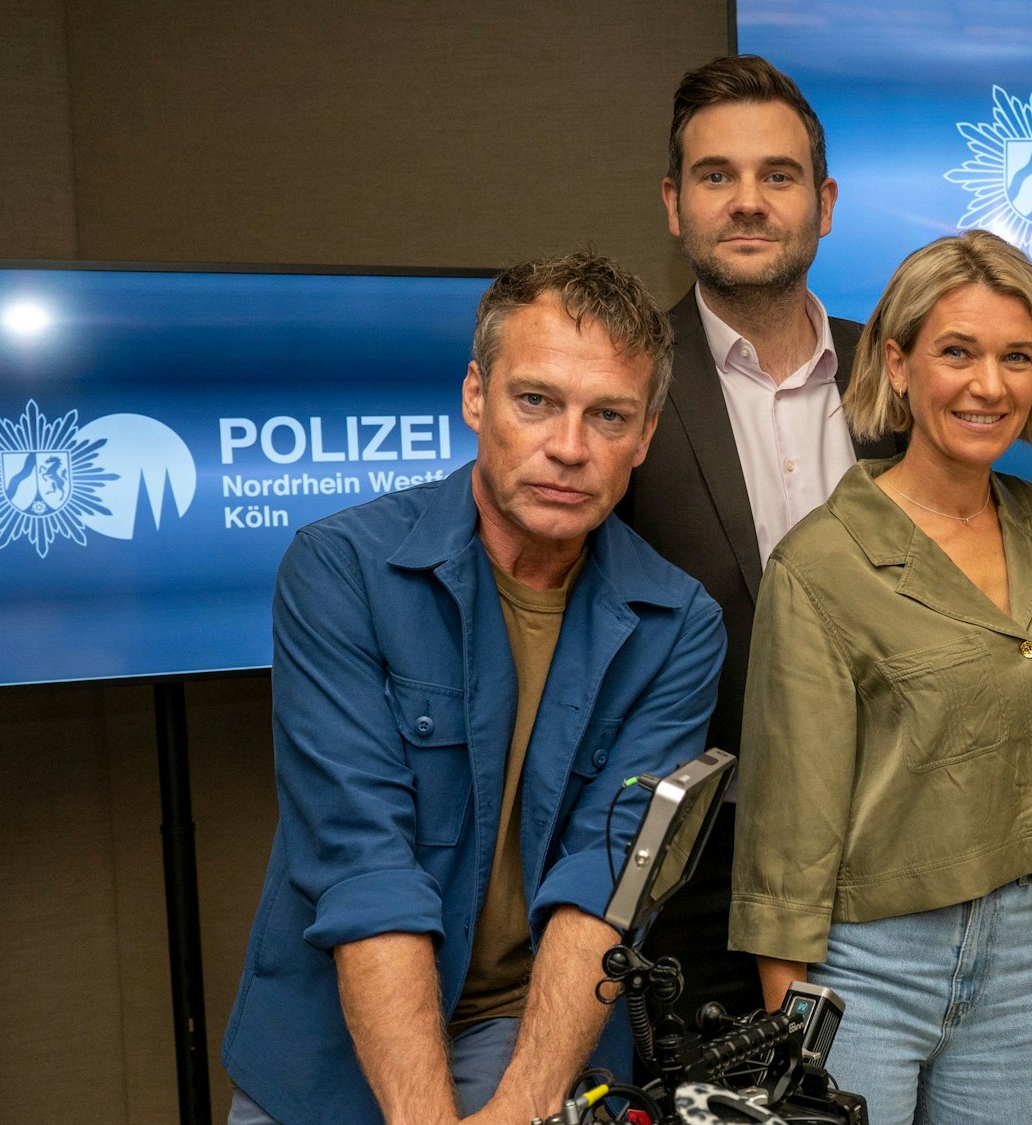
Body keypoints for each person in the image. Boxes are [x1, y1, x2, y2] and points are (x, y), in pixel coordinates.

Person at [222, 254, 725, 1125]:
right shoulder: (340, 570)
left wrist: (520, 1108)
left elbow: (606, 882)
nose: (569, 448)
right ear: (475, 397)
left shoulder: (678, 623)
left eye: (608, 415)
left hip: (535, 1032)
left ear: (644, 437)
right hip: (328, 1046)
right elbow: (364, 864)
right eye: (536, 400)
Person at [730, 229, 1032, 1125]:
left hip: (1029, 956)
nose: (991, 384)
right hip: (867, 966)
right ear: (895, 362)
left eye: (1018, 356)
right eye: (957, 352)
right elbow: (786, 829)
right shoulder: (821, 562)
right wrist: (797, 1036)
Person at [617, 54, 900, 1020]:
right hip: (704, 868)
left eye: (777, 176)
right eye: (716, 176)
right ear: (673, 203)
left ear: (823, 202)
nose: (748, 202)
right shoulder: (620, 387)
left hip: (902, 845)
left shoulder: (905, 379)